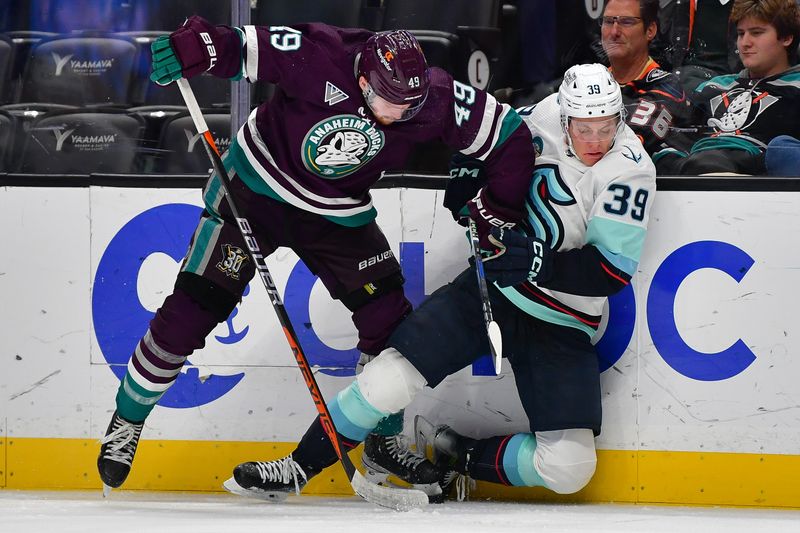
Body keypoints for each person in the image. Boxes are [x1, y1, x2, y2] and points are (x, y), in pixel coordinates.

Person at [96, 16, 537, 497]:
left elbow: (510, 136)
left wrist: (498, 207)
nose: (397, 114)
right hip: (255, 191)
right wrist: (193, 47)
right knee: (193, 308)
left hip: (337, 213)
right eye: (388, 100)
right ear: (364, 80)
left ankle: (382, 441)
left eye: (409, 105)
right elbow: (239, 45)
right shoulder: (321, 53)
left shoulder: (433, 97)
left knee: (387, 316)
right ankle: (128, 417)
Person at [226, 63, 656, 501]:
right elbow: (484, 140)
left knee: (569, 468)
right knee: (388, 378)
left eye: (606, 127)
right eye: (584, 128)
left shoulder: (630, 171)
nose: (595, 141)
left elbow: (610, 272)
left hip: (563, 320)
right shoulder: (541, 114)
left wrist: (536, 262)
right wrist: (468, 173)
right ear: (564, 116)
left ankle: (456, 453)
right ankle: (298, 467)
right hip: (491, 290)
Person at [656, 0, 800, 175]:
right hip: (694, 174)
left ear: (787, 38)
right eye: (741, 34)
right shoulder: (712, 87)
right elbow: (676, 138)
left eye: (756, 33)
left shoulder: (796, 87)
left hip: (761, 184)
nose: (745, 43)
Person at [600, 0, 694, 165]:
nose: (614, 31)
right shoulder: (589, 80)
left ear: (650, 30)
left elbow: (628, 145)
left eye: (626, 22)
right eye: (608, 21)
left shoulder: (668, 87)